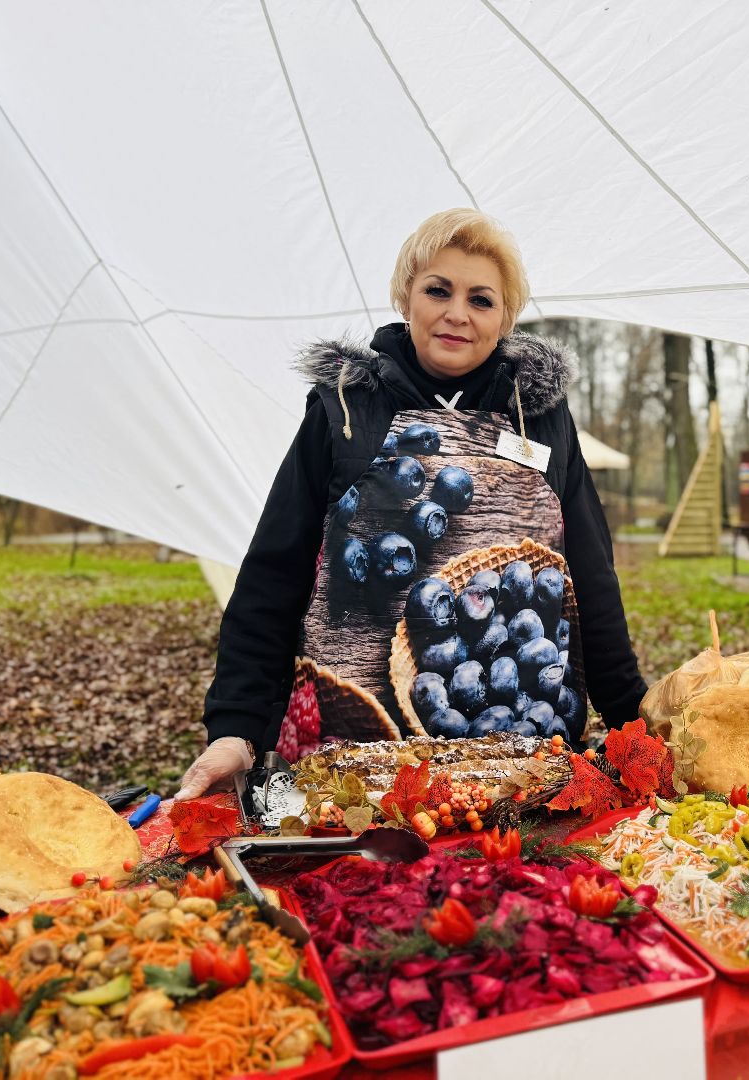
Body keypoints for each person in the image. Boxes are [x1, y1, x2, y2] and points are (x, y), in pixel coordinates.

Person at [177, 209, 647, 798]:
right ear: (406, 297)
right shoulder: (346, 409)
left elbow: (590, 577)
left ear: (505, 318)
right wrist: (237, 728)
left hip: (529, 759)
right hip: (354, 765)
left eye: (482, 299)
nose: (457, 313)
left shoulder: (542, 416)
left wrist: (632, 714)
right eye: (438, 290)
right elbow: (276, 572)